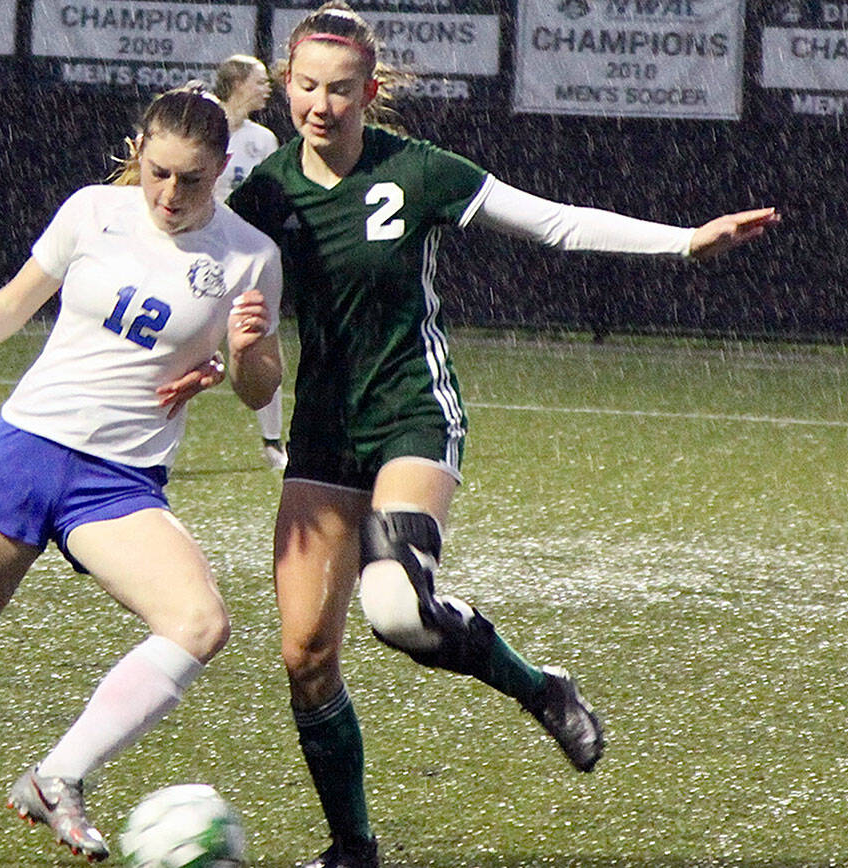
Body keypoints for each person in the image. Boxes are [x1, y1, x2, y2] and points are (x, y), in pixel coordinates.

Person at [226, 4, 781, 866]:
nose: (321, 105)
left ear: (371, 92)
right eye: (305, 87)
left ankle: (538, 687)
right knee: (304, 657)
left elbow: (552, 221)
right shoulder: (263, 198)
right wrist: (228, 351)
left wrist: (685, 244)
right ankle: (353, 847)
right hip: (324, 432)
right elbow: (234, 338)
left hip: (412, 411)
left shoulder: (416, 170)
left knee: (398, 611)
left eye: (341, 89)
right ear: (285, 88)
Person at [0, 83, 283, 865]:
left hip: (119, 481)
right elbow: (12, 306)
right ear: (140, 154)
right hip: (26, 451)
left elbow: (260, 386)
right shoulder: (93, 211)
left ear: (224, 167)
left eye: (193, 179)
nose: (171, 194)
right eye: (158, 172)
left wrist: (248, 352)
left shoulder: (249, 255)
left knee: (199, 623)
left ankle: (59, 776)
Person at [212, 53, 290, 470]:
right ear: (238, 83)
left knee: (262, 340)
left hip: (243, 254)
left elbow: (269, 199)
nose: (267, 87)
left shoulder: (262, 140)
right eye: (259, 80)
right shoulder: (202, 123)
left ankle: (273, 442)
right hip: (201, 249)